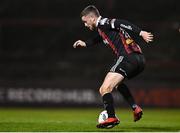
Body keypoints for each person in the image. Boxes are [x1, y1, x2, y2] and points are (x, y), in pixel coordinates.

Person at [73, 5, 153, 129]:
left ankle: (111, 117)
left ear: (92, 18)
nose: (85, 24)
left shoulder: (103, 22)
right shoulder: (102, 29)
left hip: (127, 57)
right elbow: (100, 37)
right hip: (140, 60)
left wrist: (140, 32)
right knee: (117, 84)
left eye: (85, 21)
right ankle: (135, 108)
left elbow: (121, 23)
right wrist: (86, 44)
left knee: (104, 89)